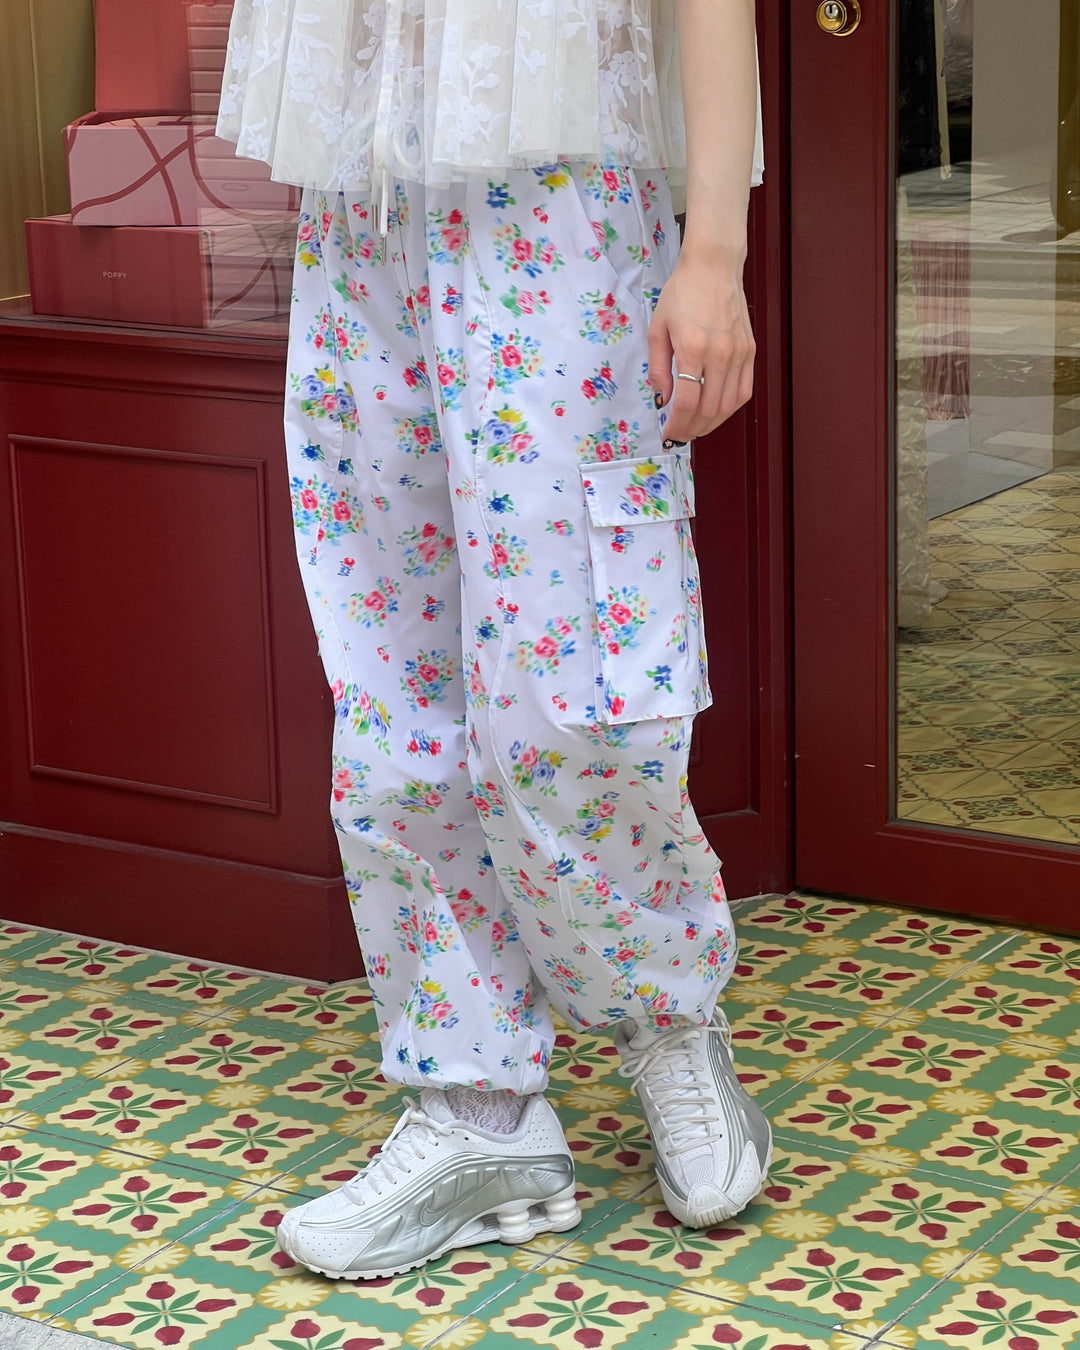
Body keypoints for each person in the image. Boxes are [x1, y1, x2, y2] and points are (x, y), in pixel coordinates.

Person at [217, 0, 770, 1282]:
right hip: (364, 198)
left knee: (579, 673)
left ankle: (669, 1019)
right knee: (392, 676)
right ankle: (477, 1106)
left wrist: (714, 253)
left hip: (564, 191)